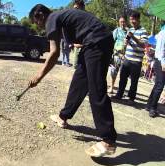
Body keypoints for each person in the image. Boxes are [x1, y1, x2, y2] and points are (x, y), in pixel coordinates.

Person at [28, 4, 117, 157]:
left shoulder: (51, 18)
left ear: (40, 15)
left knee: (96, 88)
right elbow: (77, 37)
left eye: (37, 22)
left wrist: (39, 76)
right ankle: (64, 116)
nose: (40, 26)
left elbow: (54, 53)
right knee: (78, 83)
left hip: (97, 42)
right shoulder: (61, 18)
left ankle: (108, 140)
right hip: (91, 43)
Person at [113, 11, 148, 103]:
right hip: (127, 58)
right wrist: (126, 42)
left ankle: (131, 98)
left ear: (138, 19)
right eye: (131, 19)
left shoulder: (143, 31)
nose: (132, 21)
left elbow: (143, 45)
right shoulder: (130, 30)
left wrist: (133, 37)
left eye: (134, 19)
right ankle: (119, 94)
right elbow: (128, 42)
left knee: (134, 81)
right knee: (122, 78)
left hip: (136, 61)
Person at [146, 21, 165, 118]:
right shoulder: (163, 33)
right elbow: (160, 50)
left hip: (161, 61)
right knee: (160, 85)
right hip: (161, 61)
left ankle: (149, 105)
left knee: (158, 84)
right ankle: (153, 108)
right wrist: (163, 63)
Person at [108, 16, 128, 94]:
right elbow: (111, 42)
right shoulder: (116, 31)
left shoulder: (129, 32)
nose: (122, 23)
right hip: (116, 55)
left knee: (124, 74)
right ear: (119, 22)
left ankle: (120, 91)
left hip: (126, 56)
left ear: (126, 22)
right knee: (113, 72)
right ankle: (112, 87)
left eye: (124, 21)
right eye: (121, 22)